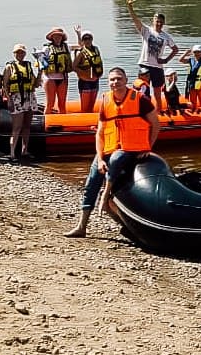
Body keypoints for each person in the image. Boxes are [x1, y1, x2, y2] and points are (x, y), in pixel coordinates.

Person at [64, 66, 160, 237]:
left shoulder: (140, 100)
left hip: (130, 149)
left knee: (117, 159)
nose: (115, 82)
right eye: (112, 80)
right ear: (108, 83)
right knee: (91, 181)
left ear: (126, 80)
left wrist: (148, 147)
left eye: (119, 79)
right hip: (109, 147)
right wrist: (100, 159)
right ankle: (82, 226)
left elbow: (156, 124)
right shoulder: (106, 101)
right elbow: (100, 133)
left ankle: (105, 197)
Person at [126, 0, 178, 113]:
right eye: (156, 21)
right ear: (153, 21)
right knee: (143, 91)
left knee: (157, 93)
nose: (158, 23)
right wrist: (130, 7)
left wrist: (166, 60)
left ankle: (159, 113)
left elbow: (175, 49)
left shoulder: (166, 37)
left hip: (158, 67)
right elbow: (135, 20)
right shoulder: (147, 31)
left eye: (161, 21)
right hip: (145, 65)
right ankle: (143, 112)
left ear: (163, 23)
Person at [2, 43, 40, 162]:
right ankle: (12, 153)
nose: (20, 54)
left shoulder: (28, 66)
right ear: (14, 54)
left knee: (27, 126)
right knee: (17, 127)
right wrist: (9, 100)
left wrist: (41, 71)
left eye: (22, 52)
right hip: (16, 98)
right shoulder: (10, 67)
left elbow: (35, 84)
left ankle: (25, 150)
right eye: (17, 52)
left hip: (29, 97)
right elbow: (5, 84)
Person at [71, 27, 104, 113]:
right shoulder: (80, 52)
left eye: (89, 38)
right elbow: (73, 67)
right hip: (85, 82)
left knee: (91, 106)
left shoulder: (96, 49)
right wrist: (83, 74)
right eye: (85, 39)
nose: (87, 40)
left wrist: (99, 74)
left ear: (92, 39)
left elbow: (99, 62)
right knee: (85, 108)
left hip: (95, 81)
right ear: (82, 40)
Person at [41, 27, 73, 114]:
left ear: (62, 37)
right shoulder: (47, 49)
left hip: (62, 78)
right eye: (55, 36)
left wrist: (78, 33)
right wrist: (40, 78)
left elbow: (81, 45)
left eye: (59, 36)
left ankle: (63, 124)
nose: (57, 38)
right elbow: (41, 64)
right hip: (50, 78)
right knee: (50, 104)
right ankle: (46, 124)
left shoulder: (66, 47)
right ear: (52, 37)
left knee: (62, 104)